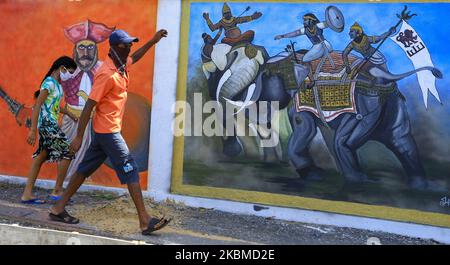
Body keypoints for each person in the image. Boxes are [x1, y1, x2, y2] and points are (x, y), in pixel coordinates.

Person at [50, 29, 171, 235]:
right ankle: (144, 221)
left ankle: (58, 207)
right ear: (115, 48)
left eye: (130, 43)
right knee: (131, 169)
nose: (129, 47)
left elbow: (136, 56)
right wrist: (79, 136)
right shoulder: (106, 74)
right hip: (109, 133)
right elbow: (89, 106)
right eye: (126, 45)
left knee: (84, 170)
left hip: (104, 132)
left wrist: (152, 41)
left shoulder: (121, 66)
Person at [60, 20, 115, 179]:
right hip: (71, 120)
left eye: (90, 48)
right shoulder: (67, 69)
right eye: (81, 48)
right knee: (67, 152)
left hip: (94, 121)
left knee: (88, 157)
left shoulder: (102, 69)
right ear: (75, 51)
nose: (85, 52)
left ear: (96, 51)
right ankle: (62, 183)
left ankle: (77, 182)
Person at [21, 56, 77, 204]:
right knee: (68, 152)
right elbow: (38, 105)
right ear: (62, 68)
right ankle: (58, 190)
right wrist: (33, 129)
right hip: (46, 124)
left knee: (40, 158)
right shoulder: (49, 83)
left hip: (50, 124)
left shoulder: (57, 86)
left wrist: (71, 115)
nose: (69, 76)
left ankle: (27, 194)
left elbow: (55, 106)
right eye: (69, 72)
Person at [275, 13, 333, 87]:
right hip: (319, 46)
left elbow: (329, 23)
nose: (303, 22)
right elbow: (295, 33)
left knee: (305, 59)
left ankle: (312, 80)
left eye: (305, 20)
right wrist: (282, 36)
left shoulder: (318, 26)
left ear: (311, 21)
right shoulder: (305, 30)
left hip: (322, 46)